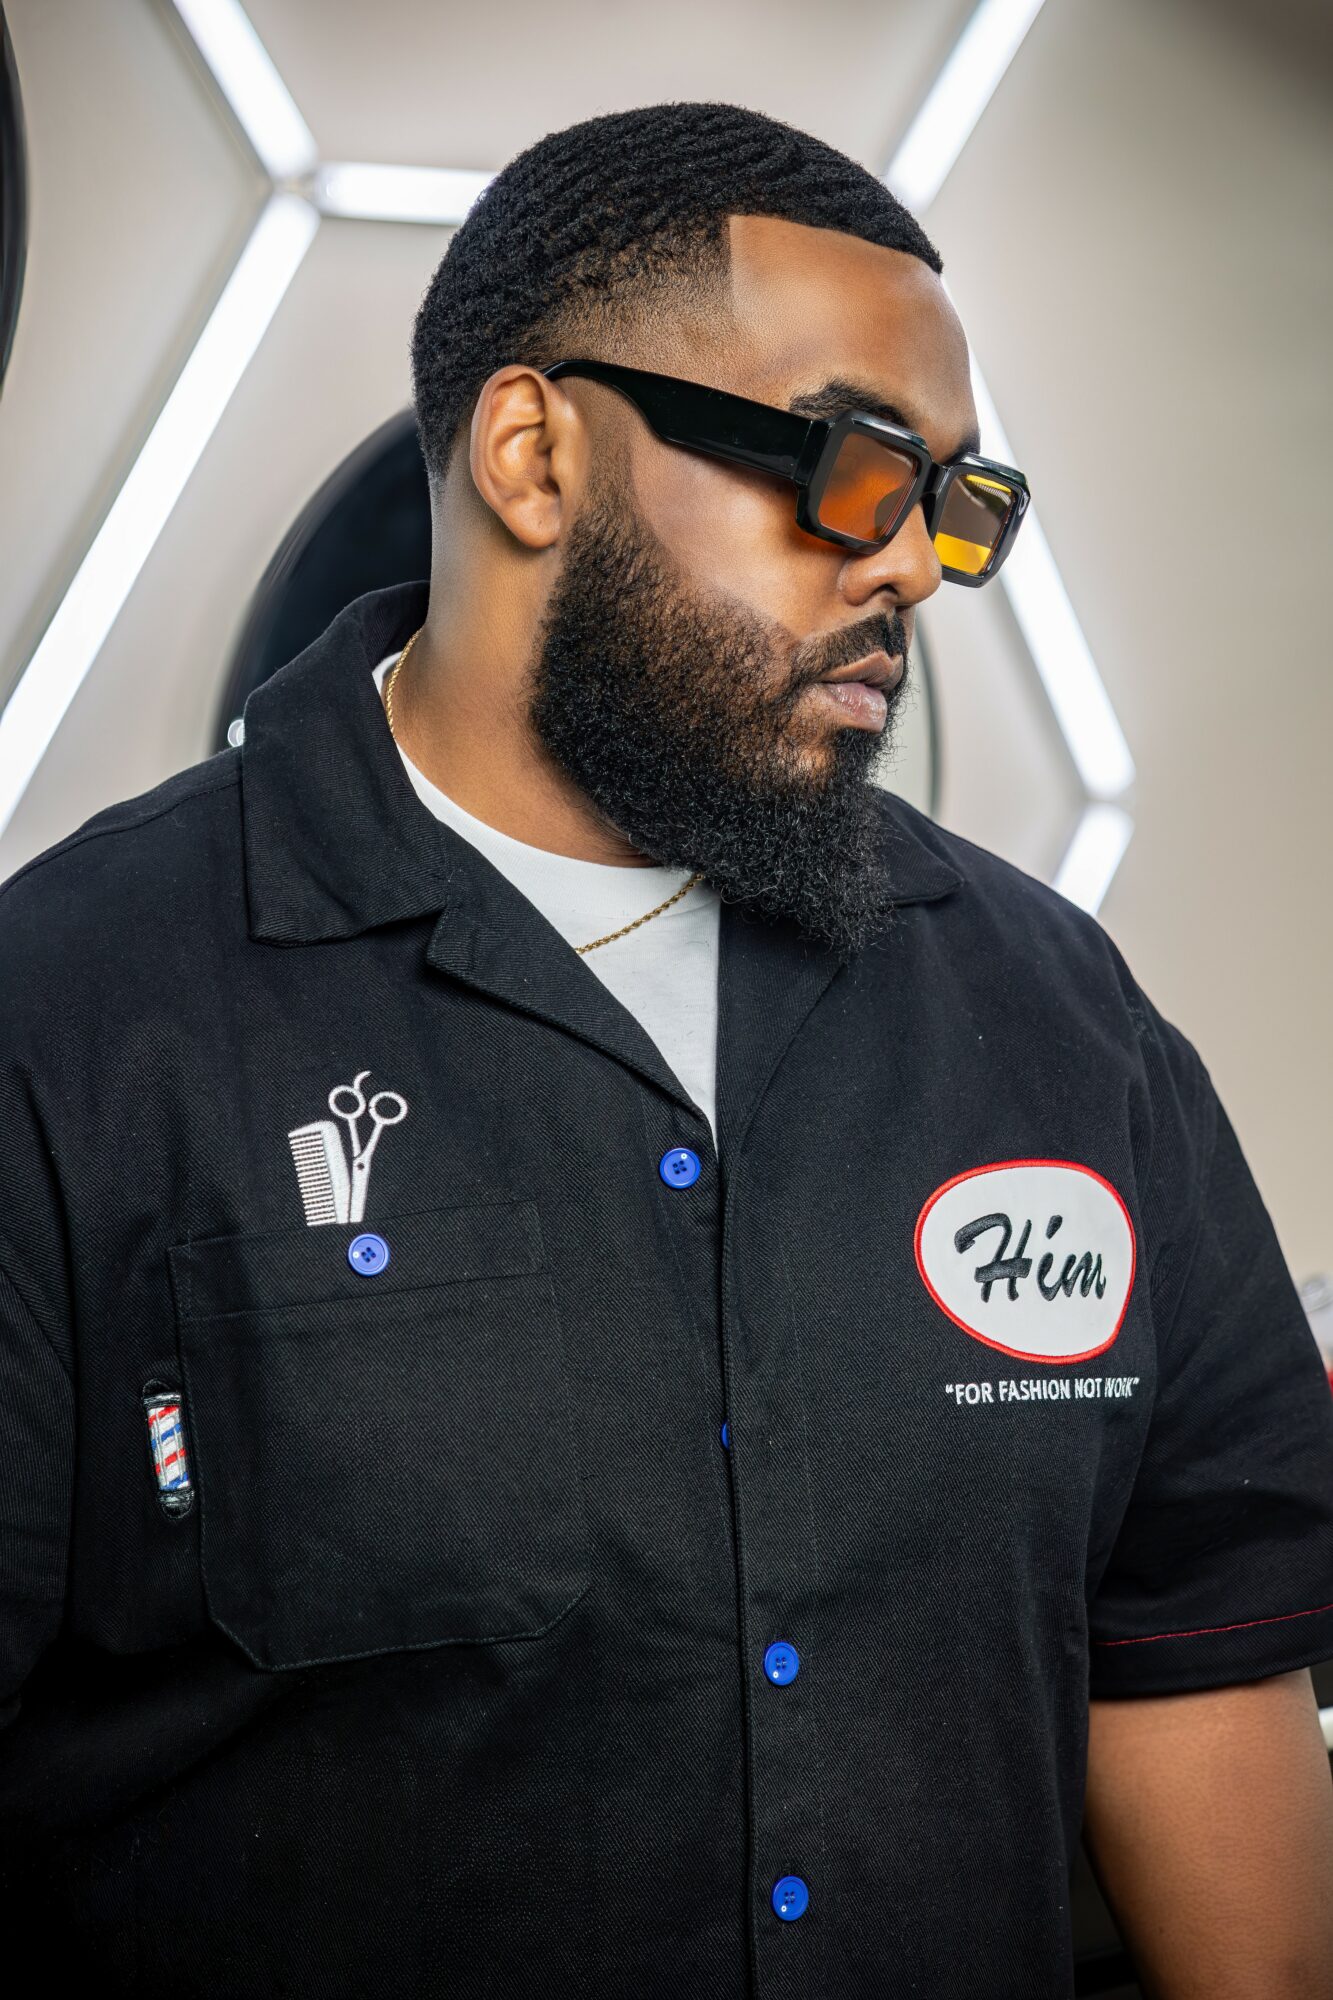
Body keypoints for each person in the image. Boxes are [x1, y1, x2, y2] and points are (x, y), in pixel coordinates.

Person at [0, 100, 1330, 2000]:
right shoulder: (76, 1016)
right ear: (535, 453)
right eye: (853, 469)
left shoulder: (1061, 1022)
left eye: (956, 503)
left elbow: (1196, 1660)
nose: (913, 568)